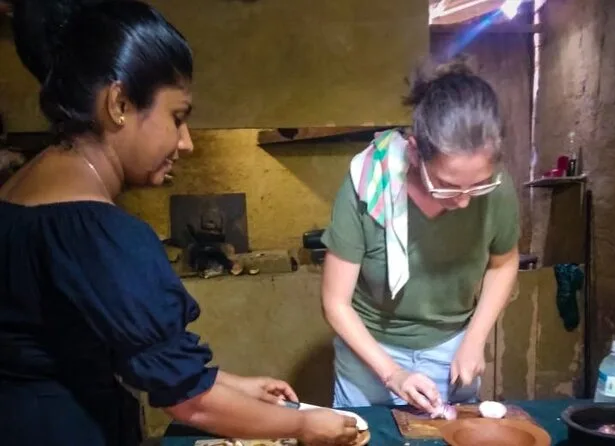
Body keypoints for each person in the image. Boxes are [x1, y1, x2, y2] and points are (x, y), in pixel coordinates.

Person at [0, 1, 357, 445]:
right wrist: (303, 425)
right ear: (119, 104)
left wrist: (230, 385)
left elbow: (118, 348)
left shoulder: (18, 190)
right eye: (177, 117)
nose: (185, 143)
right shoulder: (99, 234)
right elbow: (191, 402)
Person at [321, 60, 520, 416]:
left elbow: (503, 264)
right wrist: (393, 374)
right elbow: (336, 303)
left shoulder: (498, 190)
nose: (463, 201)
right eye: (447, 185)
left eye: (477, 186)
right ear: (414, 152)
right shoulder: (367, 184)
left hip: (452, 346)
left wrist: (474, 340)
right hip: (371, 350)